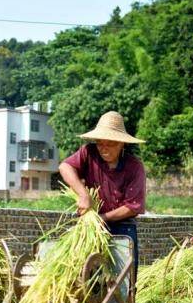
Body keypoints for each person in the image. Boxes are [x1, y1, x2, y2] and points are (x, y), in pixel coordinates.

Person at [59, 110, 146, 270]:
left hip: (122, 228)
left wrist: (101, 218)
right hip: (90, 227)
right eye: (100, 143)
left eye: (110, 144)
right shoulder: (89, 153)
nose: (103, 149)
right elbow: (65, 166)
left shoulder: (134, 167)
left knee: (122, 283)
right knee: (85, 277)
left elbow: (133, 206)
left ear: (122, 144)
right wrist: (83, 194)